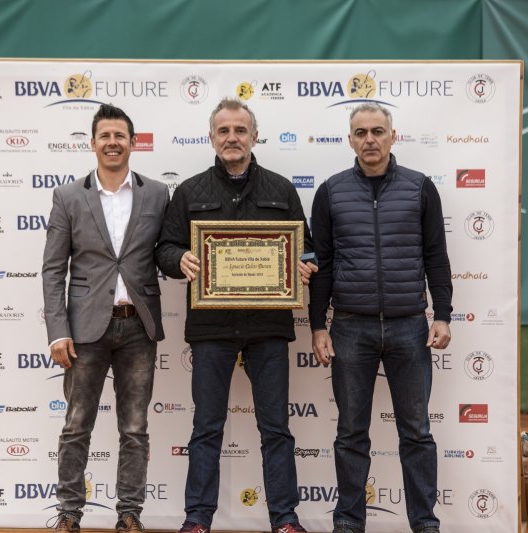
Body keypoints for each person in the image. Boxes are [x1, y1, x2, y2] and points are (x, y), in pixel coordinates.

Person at [155, 98, 317, 533]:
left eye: (240, 130)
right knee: (207, 427)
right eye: (223, 130)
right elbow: (165, 249)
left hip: (268, 327)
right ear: (212, 138)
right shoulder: (189, 191)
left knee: (276, 429)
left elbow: (308, 246)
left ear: (254, 137)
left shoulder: (282, 189)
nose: (232, 138)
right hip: (211, 329)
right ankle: (197, 520)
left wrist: (306, 262)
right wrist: (182, 260)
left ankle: (285, 520)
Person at [308, 102, 452, 533]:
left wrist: (441, 314)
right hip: (351, 327)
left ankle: (425, 524)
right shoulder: (330, 192)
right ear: (350, 139)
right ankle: (348, 524)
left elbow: (436, 257)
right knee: (351, 434)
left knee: (417, 434)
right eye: (360, 132)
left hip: (411, 327)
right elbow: (323, 265)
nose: (369, 139)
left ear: (393, 136)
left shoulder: (421, 187)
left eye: (377, 131)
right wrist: (318, 325)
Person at [42, 104, 169, 533]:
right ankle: (68, 514)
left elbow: (164, 253)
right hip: (84, 331)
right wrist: (57, 332)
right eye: (105, 136)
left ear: (133, 143)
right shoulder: (67, 196)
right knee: (77, 425)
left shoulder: (157, 194)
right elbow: (53, 269)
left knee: (135, 428)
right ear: (92, 143)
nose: (113, 143)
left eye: (120, 136)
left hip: (139, 326)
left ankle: (129, 513)